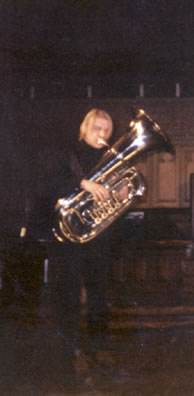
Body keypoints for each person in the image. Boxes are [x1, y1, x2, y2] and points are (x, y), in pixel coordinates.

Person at [40, 109, 119, 376]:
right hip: (68, 240)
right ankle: (70, 353)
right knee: (69, 298)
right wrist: (83, 183)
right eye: (97, 128)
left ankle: (97, 351)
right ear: (85, 128)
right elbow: (48, 185)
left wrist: (120, 193)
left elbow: (116, 200)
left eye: (107, 130)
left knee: (99, 297)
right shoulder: (67, 154)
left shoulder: (111, 158)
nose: (102, 134)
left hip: (99, 238)